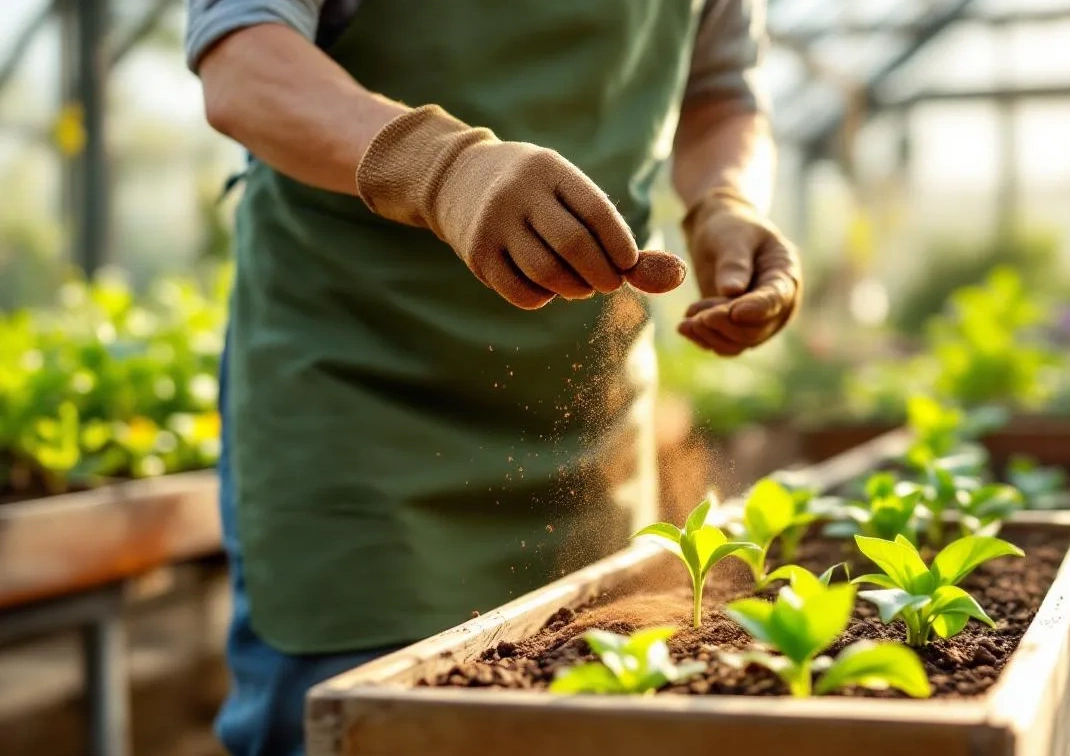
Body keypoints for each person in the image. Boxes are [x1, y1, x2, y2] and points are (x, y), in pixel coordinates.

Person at [188, 0, 801, 753]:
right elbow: (243, 62)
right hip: (360, 406)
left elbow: (719, 93)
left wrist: (726, 201)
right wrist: (442, 167)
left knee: (589, 722)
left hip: (586, 424)